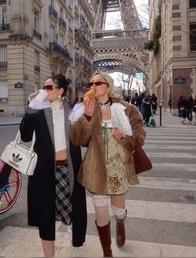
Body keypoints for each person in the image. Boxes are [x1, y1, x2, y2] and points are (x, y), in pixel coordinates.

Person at [69, 72, 146, 257]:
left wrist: (124, 137)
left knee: (118, 210)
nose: (93, 85)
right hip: (96, 167)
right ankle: (107, 251)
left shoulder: (127, 109)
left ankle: (120, 223)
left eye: (98, 82)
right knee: (101, 211)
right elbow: (76, 138)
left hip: (119, 167)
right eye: (91, 83)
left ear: (108, 86)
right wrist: (86, 117)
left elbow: (140, 137)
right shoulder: (87, 108)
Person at [20, 74, 87, 257]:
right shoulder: (38, 112)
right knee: (46, 215)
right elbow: (25, 136)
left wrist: (87, 118)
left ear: (60, 91)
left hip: (68, 170)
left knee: (71, 208)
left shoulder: (73, 112)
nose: (44, 91)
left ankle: (72, 228)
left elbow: (85, 140)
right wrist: (31, 109)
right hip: (44, 172)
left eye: (49, 87)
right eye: (44, 87)